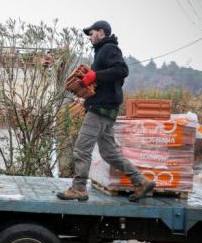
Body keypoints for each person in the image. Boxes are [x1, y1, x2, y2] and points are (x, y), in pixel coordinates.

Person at [57, 20, 155, 202]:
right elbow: (115, 78)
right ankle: (140, 180)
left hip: (100, 109)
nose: (89, 37)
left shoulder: (109, 49)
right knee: (109, 153)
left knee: (81, 148)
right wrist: (88, 90)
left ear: (101, 32)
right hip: (106, 108)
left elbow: (122, 70)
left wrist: (96, 75)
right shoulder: (102, 52)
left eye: (91, 33)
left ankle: (79, 188)